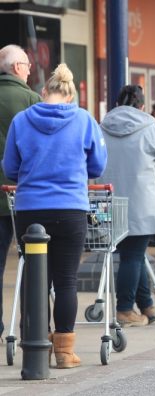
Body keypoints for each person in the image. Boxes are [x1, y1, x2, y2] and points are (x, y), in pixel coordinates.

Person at [2, 63, 107, 368]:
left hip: (30, 209)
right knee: (65, 281)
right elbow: (97, 166)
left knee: (35, 279)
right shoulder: (85, 120)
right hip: (71, 208)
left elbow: (10, 167)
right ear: (71, 95)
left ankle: (35, 344)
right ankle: (64, 351)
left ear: (43, 92)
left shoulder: (22, 121)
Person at [98, 85, 155, 327]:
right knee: (132, 256)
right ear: (142, 106)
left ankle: (147, 307)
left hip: (109, 204)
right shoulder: (151, 128)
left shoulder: (101, 127)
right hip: (143, 204)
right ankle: (124, 310)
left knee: (134, 254)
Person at [0, 44, 41, 341]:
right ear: (17, 68)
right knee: (33, 260)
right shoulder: (31, 100)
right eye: (27, 64)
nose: (30, 69)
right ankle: (31, 326)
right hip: (20, 197)